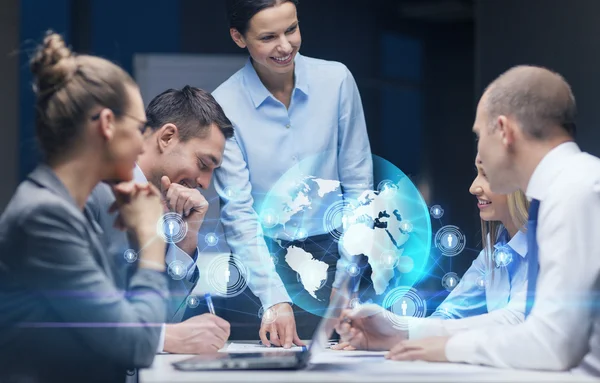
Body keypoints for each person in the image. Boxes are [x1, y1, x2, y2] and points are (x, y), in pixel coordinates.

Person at [378, 66, 600, 376]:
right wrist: (401, 331)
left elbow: (552, 343)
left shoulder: (575, 189)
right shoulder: (572, 185)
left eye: (479, 135)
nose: (479, 149)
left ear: (504, 131)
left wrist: (447, 349)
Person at [0, 32, 167, 383]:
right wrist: (153, 241)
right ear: (107, 124)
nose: (142, 143)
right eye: (140, 128)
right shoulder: (44, 216)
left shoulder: (66, 210)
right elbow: (136, 343)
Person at [212, 0, 373, 347]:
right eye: (268, 37)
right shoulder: (223, 104)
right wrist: (273, 296)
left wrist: (347, 278)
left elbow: (359, 188)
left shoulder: (337, 81)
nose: (285, 46)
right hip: (259, 260)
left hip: (338, 254)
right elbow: (238, 212)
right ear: (238, 38)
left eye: (291, 29)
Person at [86, 86, 234, 354]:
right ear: (167, 137)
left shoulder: (165, 211)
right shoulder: (92, 191)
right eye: (203, 164)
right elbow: (65, 313)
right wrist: (166, 339)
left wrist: (186, 241)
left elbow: (161, 319)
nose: (205, 183)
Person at [334, 154, 530, 350]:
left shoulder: (548, 247)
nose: (473, 188)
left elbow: (516, 321)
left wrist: (399, 333)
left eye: (486, 175)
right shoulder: (495, 253)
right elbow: (449, 314)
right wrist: (389, 335)